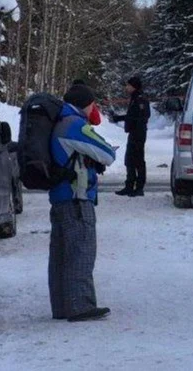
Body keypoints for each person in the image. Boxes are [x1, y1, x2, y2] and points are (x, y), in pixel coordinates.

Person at [49, 83, 116, 322]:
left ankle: (61, 306)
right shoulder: (75, 124)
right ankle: (80, 306)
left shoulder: (56, 122)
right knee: (81, 252)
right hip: (77, 198)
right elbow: (107, 153)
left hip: (59, 197)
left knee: (60, 255)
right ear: (87, 104)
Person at [112, 76, 150, 197]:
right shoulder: (134, 98)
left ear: (134, 86)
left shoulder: (140, 99)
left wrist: (131, 123)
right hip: (134, 132)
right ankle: (129, 186)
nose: (126, 87)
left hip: (138, 133)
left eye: (128, 85)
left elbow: (143, 115)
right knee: (129, 160)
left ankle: (139, 187)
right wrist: (119, 118)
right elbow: (132, 115)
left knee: (138, 160)